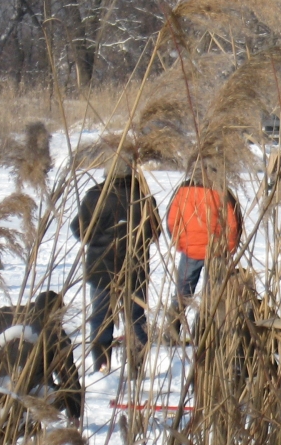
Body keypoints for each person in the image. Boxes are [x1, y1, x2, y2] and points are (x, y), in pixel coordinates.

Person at [70, 157, 161, 374]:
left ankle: (102, 366)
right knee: (136, 317)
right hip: (135, 268)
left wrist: (99, 237)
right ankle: (137, 367)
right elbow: (155, 231)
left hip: (102, 267)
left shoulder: (95, 196)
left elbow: (79, 230)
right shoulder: (143, 196)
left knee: (101, 317)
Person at [0, 290, 82, 421]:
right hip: (28, 392)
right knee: (63, 394)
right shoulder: (57, 336)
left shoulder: (13, 313)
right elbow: (69, 379)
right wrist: (75, 414)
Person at [165, 179, 243, 336]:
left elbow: (172, 220)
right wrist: (230, 248)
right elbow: (232, 224)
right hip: (216, 252)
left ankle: (171, 331)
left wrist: (179, 243)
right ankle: (202, 333)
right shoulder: (220, 190)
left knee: (182, 292)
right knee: (212, 295)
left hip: (190, 250)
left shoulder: (183, 190)